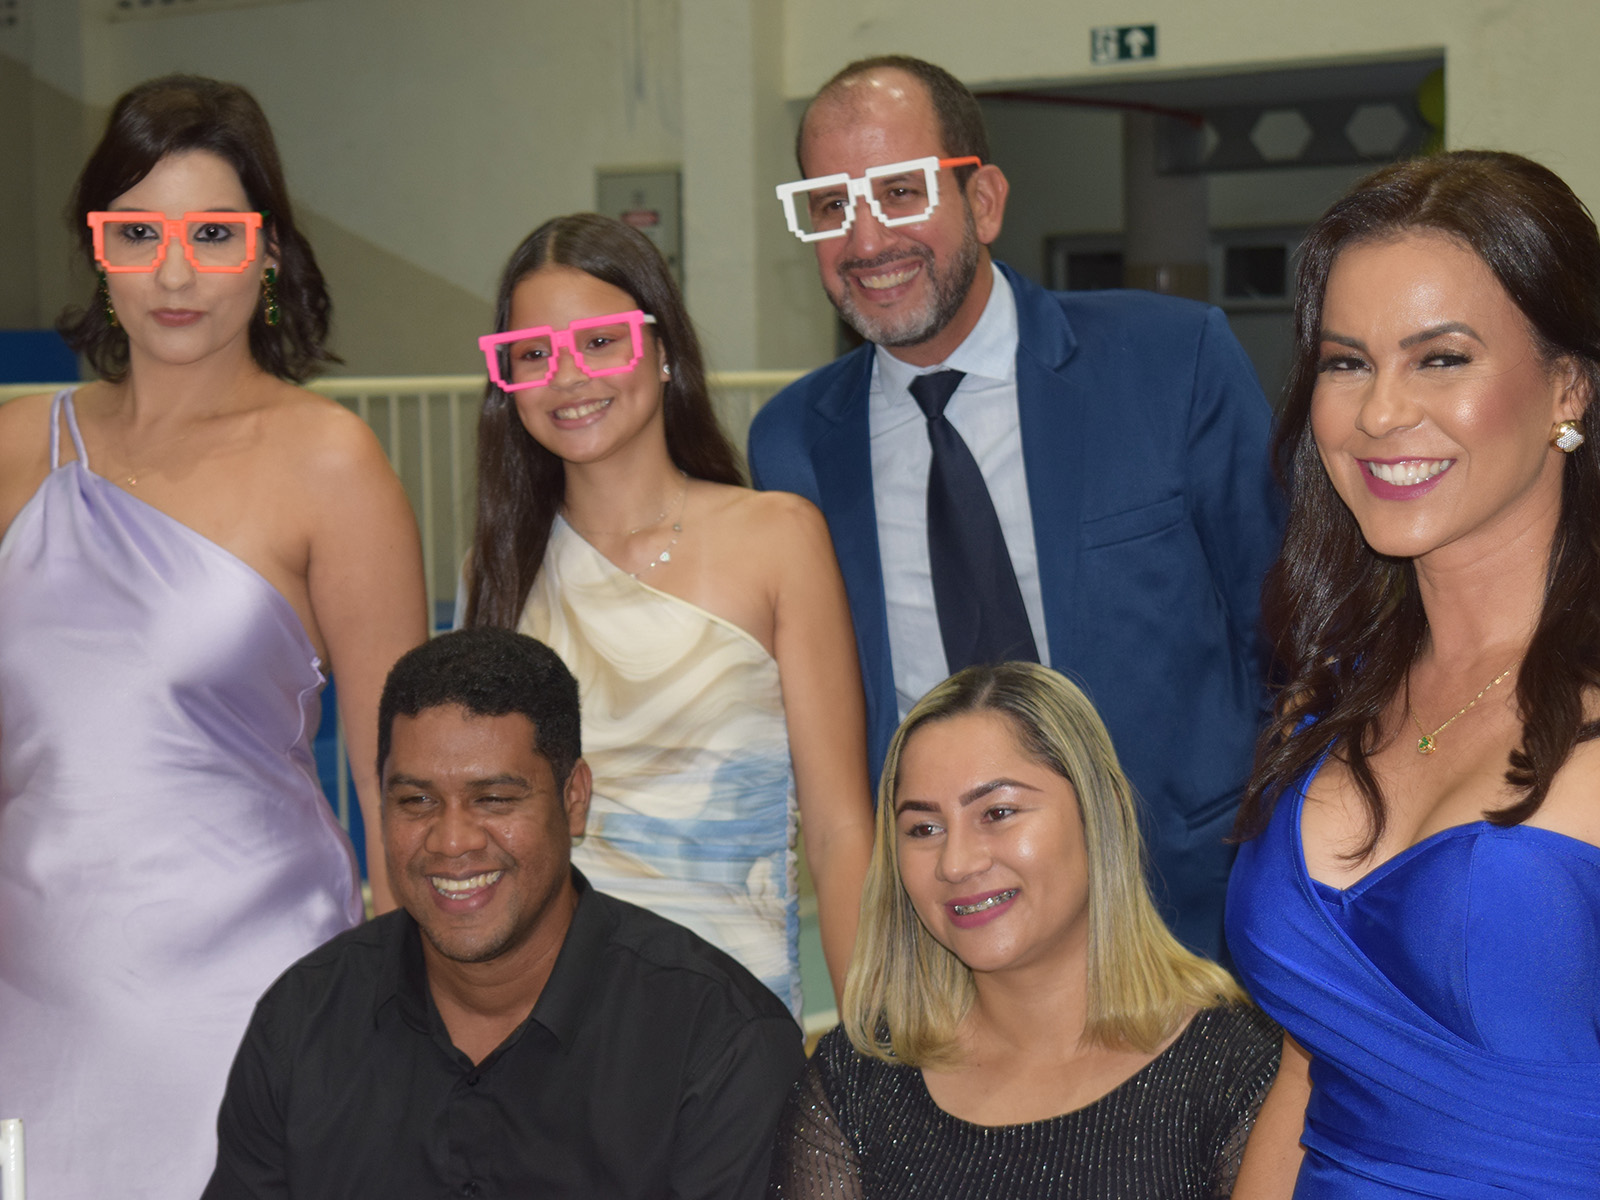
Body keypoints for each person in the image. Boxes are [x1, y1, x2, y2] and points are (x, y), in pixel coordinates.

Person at [748, 55, 1282, 960]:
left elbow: (1291, 636)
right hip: (951, 935)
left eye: (901, 191)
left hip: (1190, 911)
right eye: (831, 204)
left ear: (985, 200)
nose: (866, 238)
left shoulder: (1169, 362)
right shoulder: (792, 442)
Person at [0, 76, 427, 1199]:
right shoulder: (15, 448)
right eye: (139, 233)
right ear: (98, 249)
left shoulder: (330, 463)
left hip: (251, 992)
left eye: (214, 234)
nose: (176, 274)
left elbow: (400, 781)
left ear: (268, 251)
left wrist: (406, 1034)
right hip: (31, 992)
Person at [1226, 151, 1600, 1196]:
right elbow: (1307, 1071)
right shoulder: (1329, 690)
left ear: (1568, 384)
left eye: (1440, 358)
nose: (1381, 413)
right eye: (1347, 363)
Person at [204, 628, 805, 1198]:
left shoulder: (718, 1046)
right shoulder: (303, 1019)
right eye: (416, 800)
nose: (452, 841)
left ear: (574, 799)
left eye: (493, 799)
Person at [461, 213, 874, 1013]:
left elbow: (839, 831)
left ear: (663, 350)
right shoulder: (499, 571)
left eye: (600, 341)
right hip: (549, 1024)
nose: (567, 376)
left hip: (736, 1017)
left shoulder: (779, 537)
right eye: (534, 353)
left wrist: (873, 1047)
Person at [767, 662, 1280, 1198]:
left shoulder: (1241, 1071)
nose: (956, 863)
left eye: (998, 812)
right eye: (924, 828)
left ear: (1098, 812)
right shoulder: (856, 1081)